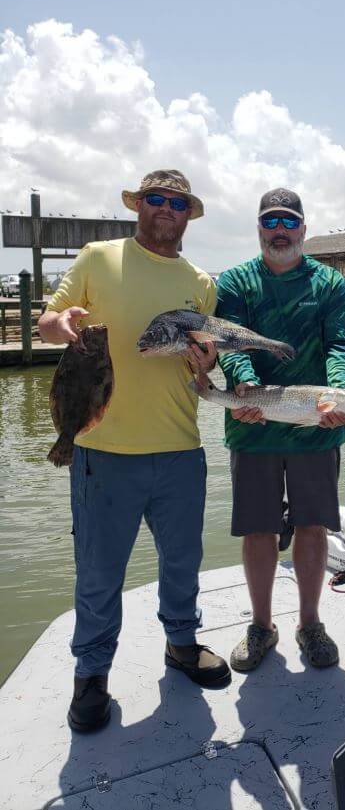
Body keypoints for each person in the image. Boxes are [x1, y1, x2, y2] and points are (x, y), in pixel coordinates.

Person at [38, 170, 230, 734]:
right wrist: (60, 324)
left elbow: (206, 375)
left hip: (179, 450)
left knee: (182, 562)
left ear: (187, 214)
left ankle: (181, 643)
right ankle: (91, 674)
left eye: (176, 202)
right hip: (102, 449)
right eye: (155, 199)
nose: (165, 208)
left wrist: (207, 362)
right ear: (138, 206)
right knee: (98, 573)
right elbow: (49, 321)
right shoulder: (98, 257)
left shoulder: (200, 282)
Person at [216, 188, 345, 672]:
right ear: (259, 228)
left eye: (288, 221)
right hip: (253, 424)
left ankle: (310, 623)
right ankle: (261, 624)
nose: (280, 230)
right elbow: (229, 340)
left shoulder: (329, 283)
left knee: (312, 525)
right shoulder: (235, 281)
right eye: (270, 221)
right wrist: (244, 383)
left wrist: (339, 392)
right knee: (257, 528)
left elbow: (341, 343)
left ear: (303, 227)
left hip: (315, 424)